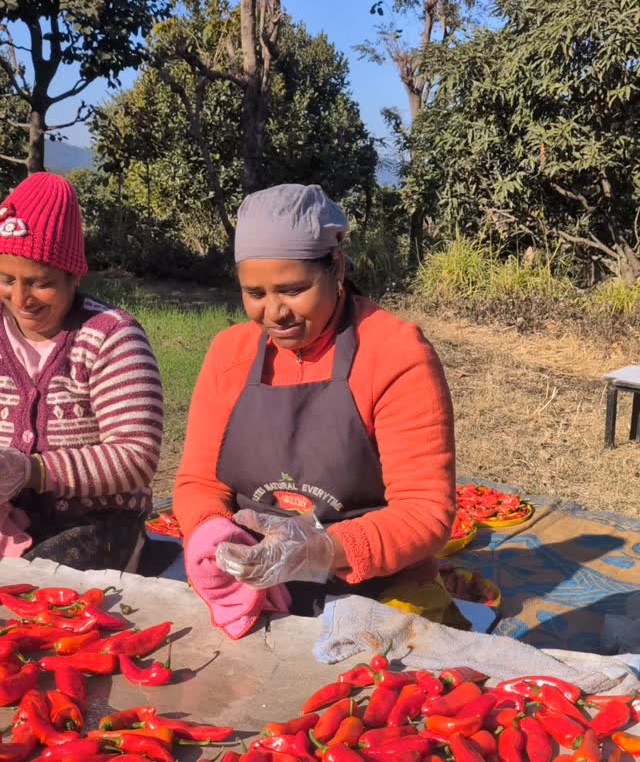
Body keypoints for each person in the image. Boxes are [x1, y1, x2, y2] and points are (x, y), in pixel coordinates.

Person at [175, 183, 461, 638]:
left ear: (337, 268)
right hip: (255, 590)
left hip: (379, 591)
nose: (274, 313)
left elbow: (425, 513)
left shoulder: (394, 352)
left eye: (293, 289)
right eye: (254, 292)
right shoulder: (228, 354)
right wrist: (214, 535)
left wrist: (322, 550)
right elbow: (199, 481)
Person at [0, 172, 163, 570]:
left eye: (41, 283)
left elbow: (137, 456)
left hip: (95, 522)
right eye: (6, 279)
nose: (21, 299)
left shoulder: (110, 335)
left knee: (33, 594)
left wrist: (32, 471)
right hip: (9, 517)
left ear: (74, 275)